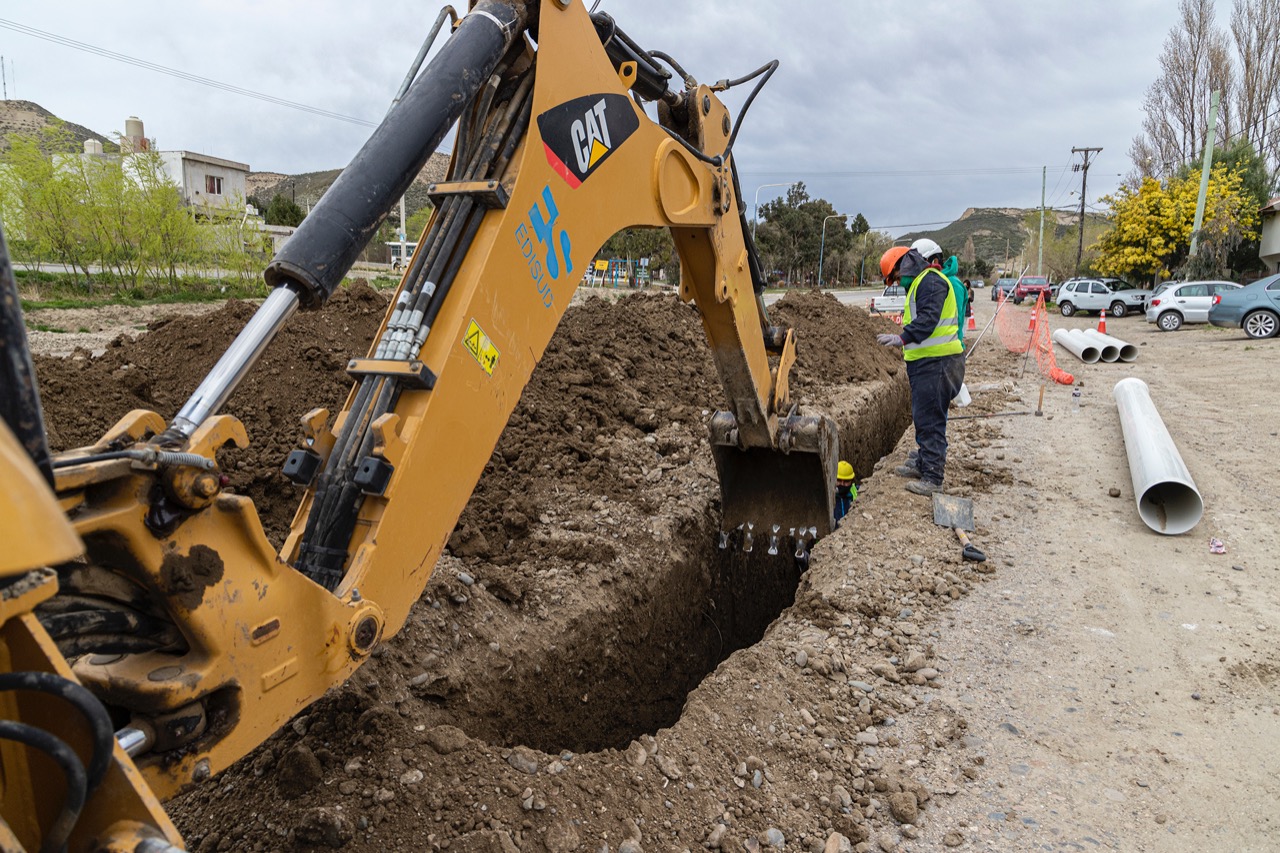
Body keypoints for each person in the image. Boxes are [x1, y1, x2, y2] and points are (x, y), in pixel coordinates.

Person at [876, 246, 966, 496]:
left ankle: (933, 477)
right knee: (924, 417)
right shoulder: (921, 283)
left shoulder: (930, 281)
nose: (896, 282)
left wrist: (903, 338)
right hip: (929, 364)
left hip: (938, 364)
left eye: (895, 276)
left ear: (903, 264)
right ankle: (924, 463)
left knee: (931, 421)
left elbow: (928, 319)